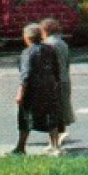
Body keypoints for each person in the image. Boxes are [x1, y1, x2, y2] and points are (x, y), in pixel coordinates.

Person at [13, 22, 64, 156]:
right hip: (49, 88)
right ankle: (55, 146)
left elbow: (25, 74)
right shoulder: (50, 49)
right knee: (50, 117)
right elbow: (56, 69)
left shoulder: (27, 53)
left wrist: (20, 93)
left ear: (27, 37)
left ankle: (21, 146)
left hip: (32, 91)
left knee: (26, 118)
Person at [40, 17, 76, 145]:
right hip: (64, 79)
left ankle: (54, 141)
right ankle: (62, 134)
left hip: (53, 81)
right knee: (62, 108)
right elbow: (67, 63)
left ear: (45, 30)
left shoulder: (47, 45)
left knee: (52, 110)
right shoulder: (63, 43)